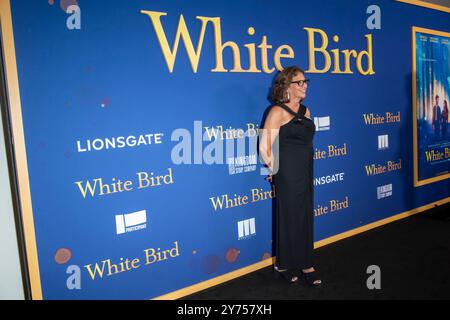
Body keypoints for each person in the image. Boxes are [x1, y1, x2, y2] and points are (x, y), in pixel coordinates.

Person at [259, 66, 321, 286]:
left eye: (306, 82)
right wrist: (275, 171)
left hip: (305, 170)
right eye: (300, 82)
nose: (304, 86)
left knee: (304, 216)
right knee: (288, 217)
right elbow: (264, 147)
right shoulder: (277, 112)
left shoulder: (307, 111)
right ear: (287, 86)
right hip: (286, 173)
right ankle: (283, 264)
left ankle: (306, 262)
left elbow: (306, 143)